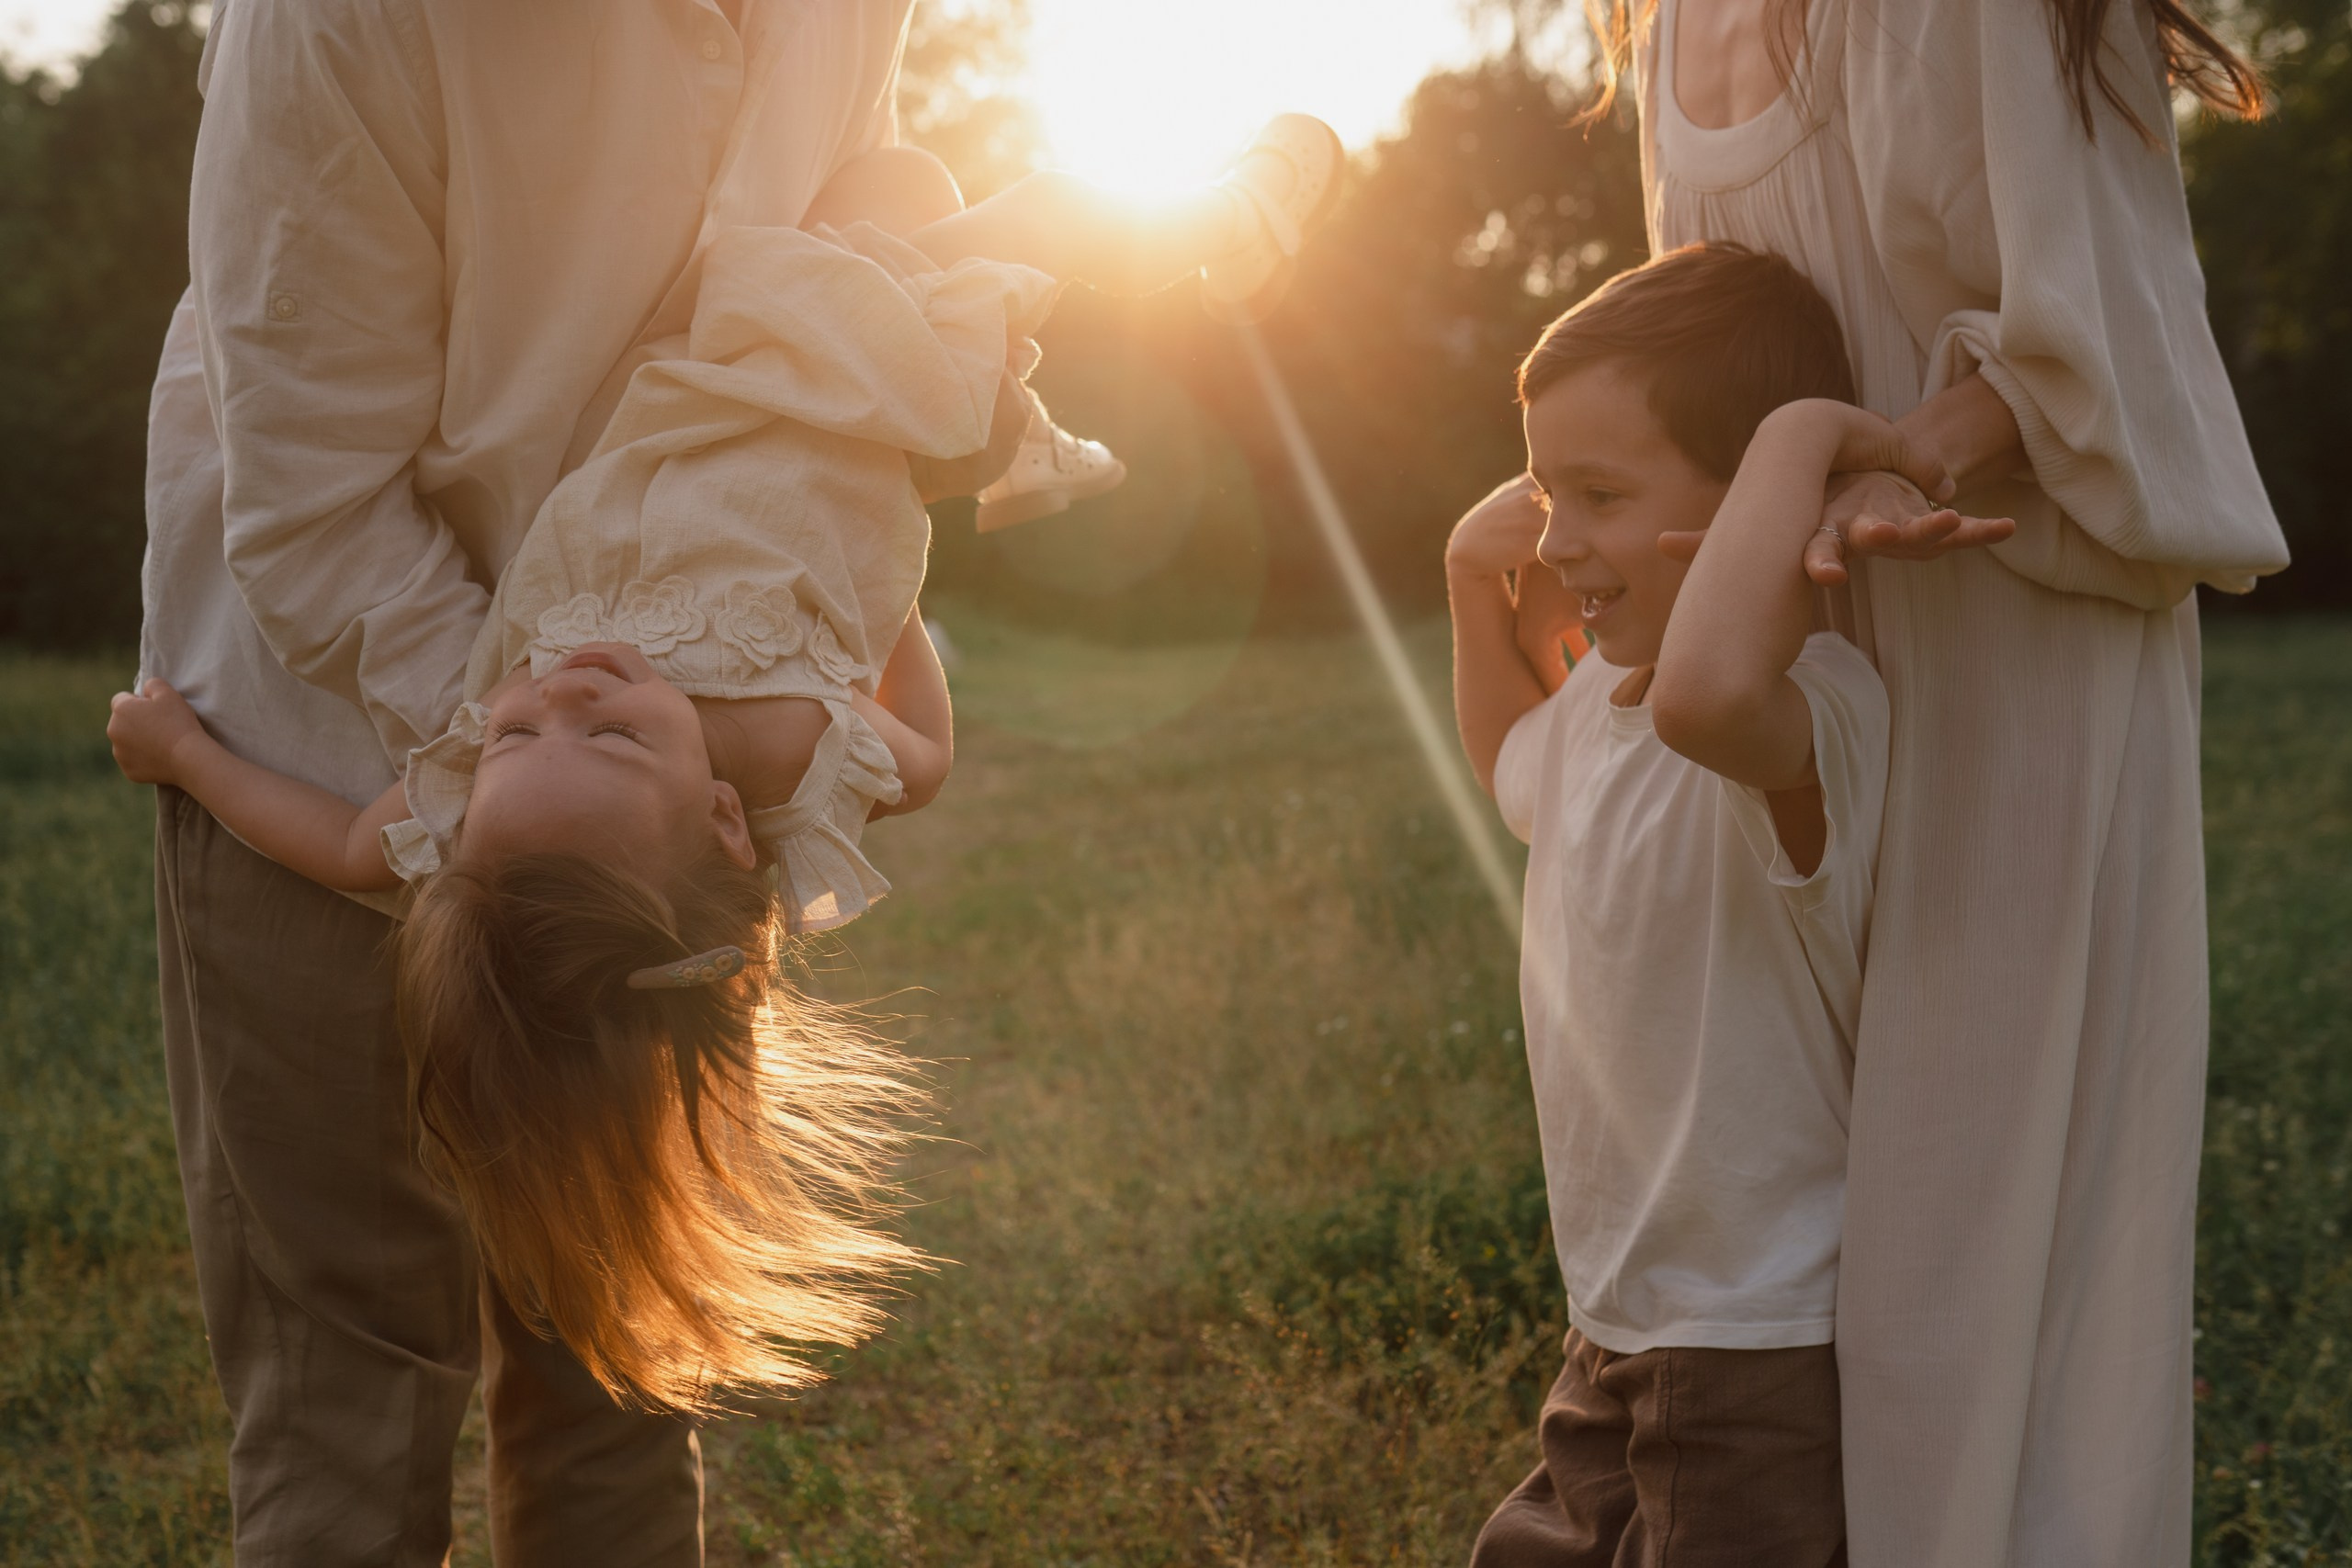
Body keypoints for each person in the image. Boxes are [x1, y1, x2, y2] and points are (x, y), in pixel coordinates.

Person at [109, 118, 1344, 1417]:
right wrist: (878, 608)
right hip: (842, 399)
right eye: (612, 734)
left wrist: (187, 757)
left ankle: (1027, 419)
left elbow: (342, 845)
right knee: (999, 205)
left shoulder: (506, 821)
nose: (559, 691)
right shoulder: (790, 746)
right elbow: (926, 756)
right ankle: (1212, 229)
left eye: (517, 728)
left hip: (701, 370)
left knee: (886, 189)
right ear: (721, 820)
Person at [1552, 0, 2291, 1560]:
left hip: (1997, 643)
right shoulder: (1662, 37)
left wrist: (1897, 452)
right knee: (1799, 1206)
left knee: (1977, 1262)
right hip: (1790, 670)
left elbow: (2107, 329)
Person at [1448, 243, 2007, 1565]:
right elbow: (1511, 774)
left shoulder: (1809, 712)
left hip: (1755, 1339)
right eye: (1542, 490)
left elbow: (1706, 696)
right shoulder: (1593, 705)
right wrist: (1477, 587)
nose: (1554, 537)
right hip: (1614, 1321)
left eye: (1593, 492)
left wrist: (1811, 436)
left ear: (1747, 495)